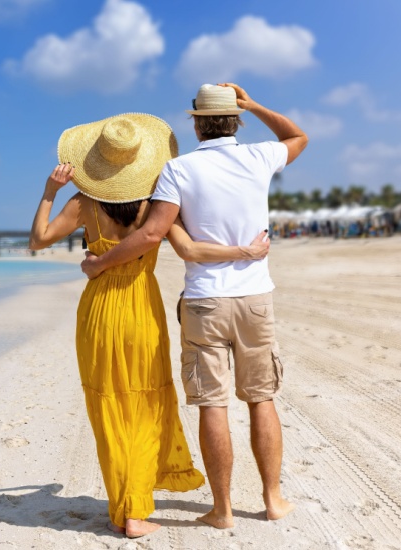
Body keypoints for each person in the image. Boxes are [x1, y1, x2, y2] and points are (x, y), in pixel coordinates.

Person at [29, 113, 271, 538]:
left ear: (96, 166)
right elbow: (191, 249)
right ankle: (136, 507)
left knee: (110, 407)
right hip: (142, 309)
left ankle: (129, 510)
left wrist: (50, 191)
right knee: (144, 404)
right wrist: (244, 252)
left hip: (100, 312)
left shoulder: (82, 204)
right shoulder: (154, 207)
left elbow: (38, 239)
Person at [81, 83, 309, 529]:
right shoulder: (259, 157)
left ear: (196, 123)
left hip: (206, 300)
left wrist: (101, 263)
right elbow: (297, 137)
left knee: (213, 405)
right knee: (262, 399)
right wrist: (255, 104)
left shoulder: (179, 170)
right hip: (254, 296)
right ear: (236, 119)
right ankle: (273, 499)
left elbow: (151, 235)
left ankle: (222, 510)